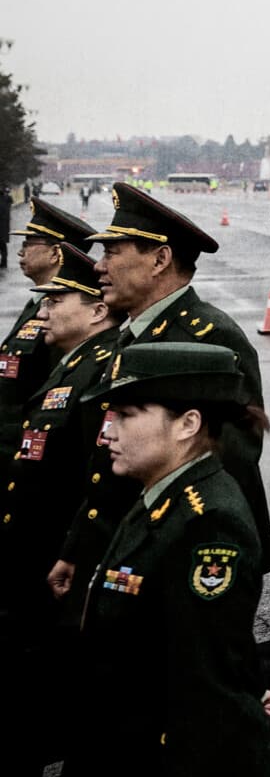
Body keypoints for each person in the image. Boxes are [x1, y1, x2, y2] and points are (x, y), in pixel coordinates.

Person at [64, 343, 270, 775]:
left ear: (187, 424)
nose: (108, 432)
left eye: (126, 416)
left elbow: (202, 681)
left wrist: (240, 692)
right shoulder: (161, 492)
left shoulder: (208, 521)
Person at [59, 185, 270, 587]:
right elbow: (105, 463)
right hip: (128, 546)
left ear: (160, 259)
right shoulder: (130, 335)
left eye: (112, 252)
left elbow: (233, 459)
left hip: (178, 553)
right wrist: (78, 548)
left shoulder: (208, 336)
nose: (98, 267)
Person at [0, 242, 116, 669]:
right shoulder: (73, 363)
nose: (43, 312)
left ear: (98, 311)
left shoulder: (98, 371)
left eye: (56, 300)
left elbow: (96, 478)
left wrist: (72, 553)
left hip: (53, 551)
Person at [4, 197, 96, 428]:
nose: (20, 252)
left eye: (28, 244)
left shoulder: (66, 314)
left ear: (56, 253)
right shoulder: (38, 302)